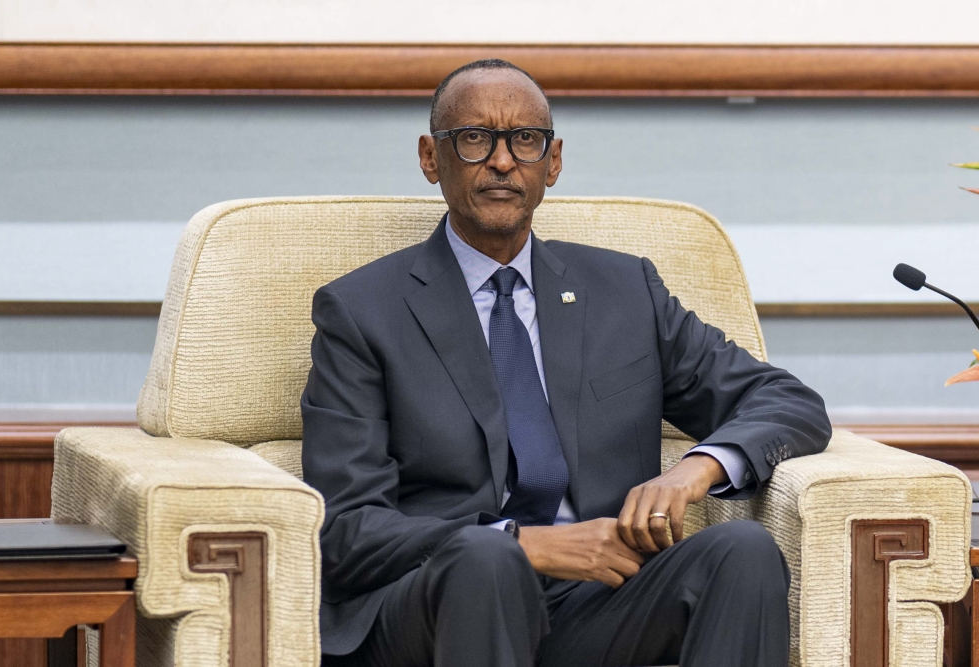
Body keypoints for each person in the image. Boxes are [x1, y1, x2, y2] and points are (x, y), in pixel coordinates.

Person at [301, 58, 831, 667]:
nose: (502, 162)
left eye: (524, 140)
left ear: (552, 162)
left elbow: (787, 402)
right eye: (474, 139)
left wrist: (695, 468)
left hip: (598, 601)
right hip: (442, 603)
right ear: (430, 157)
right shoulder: (362, 310)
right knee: (487, 558)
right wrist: (527, 544)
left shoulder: (625, 291)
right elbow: (345, 531)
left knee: (741, 550)